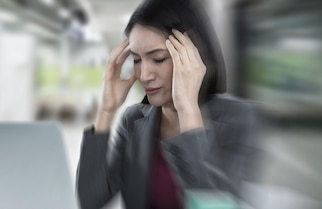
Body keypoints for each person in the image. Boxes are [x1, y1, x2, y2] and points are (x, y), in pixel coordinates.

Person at [75, 0, 259, 208]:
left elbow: (216, 204)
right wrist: (106, 110)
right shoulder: (134, 120)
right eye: (136, 60)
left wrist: (188, 110)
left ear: (193, 57)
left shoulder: (240, 119)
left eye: (159, 59)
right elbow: (90, 200)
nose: (144, 75)